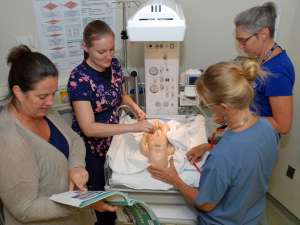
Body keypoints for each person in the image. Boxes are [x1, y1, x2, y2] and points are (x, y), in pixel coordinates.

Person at [148, 59, 279, 225]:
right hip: (254, 217)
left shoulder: (222, 156)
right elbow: (248, 157)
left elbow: (206, 204)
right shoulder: (268, 129)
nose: (208, 108)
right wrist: (208, 145)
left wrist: (174, 179)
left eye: (207, 105)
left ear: (224, 107)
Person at [0, 45, 117, 225]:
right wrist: (83, 202)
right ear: (18, 92)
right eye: (42, 96)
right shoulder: (8, 140)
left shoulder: (45, 112)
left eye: (52, 94)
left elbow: (75, 140)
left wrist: (76, 166)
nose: (49, 102)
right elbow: (25, 209)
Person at [67, 20, 153, 225]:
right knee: (100, 204)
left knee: (115, 197)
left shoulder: (114, 65)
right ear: (85, 47)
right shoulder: (79, 79)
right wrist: (133, 127)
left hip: (113, 142)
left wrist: (135, 107)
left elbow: (120, 94)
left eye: (111, 49)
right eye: (101, 52)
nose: (108, 56)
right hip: (91, 151)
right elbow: (89, 128)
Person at [234, 1, 295, 134]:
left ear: (263, 34)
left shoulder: (277, 72)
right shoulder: (264, 58)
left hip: (260, 138)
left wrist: (240, 117)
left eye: (243, 40)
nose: (241, 46)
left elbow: (283, 126)